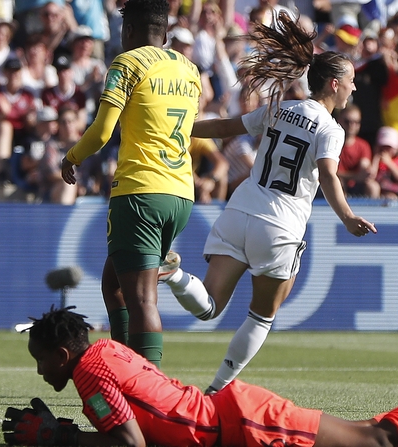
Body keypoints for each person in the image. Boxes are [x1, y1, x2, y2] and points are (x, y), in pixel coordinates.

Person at [159, 11, 377, 394]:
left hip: (239, 211)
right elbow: (327, 174)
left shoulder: (279, 109)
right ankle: (216, 391)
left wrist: (176, 127)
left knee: (208, 306)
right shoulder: (330, 129)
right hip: (279, 225)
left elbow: (225, 127)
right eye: (352, 82)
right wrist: (347, 216)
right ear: (334, 83)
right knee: (260, 317)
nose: (354, 90)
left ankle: (174, 274)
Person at [3, 306, 398, 447]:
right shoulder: (103, 355)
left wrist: (58, 437)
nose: (39, 369)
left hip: (243, 429)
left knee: (377, 439)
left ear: (59, 350)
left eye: (39, 358)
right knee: (367, 431)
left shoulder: (91, 370)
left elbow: (129, 443)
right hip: (234, 420)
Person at [60, 0, 202, 367]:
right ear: (166, 34)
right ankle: (125, 369)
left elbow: (102, 131)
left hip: (141, 190)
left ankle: (148, 388)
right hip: (181, 193)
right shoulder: (189, 69)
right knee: (116, 285)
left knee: (141, 298)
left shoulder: (127, 63)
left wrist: (72, 156)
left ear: (128, 32)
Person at [337, 103, 379, 198]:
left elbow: (364, 168)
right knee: (338, 183)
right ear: (339, 121)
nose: (352, 125)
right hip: (338, 183)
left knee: (373, 186)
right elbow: (329, 172)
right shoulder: (332, 142)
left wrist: (367, 171)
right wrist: (355, 176)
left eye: (356, 122)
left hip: (357, 185)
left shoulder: (363, 145)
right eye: (347, 121)